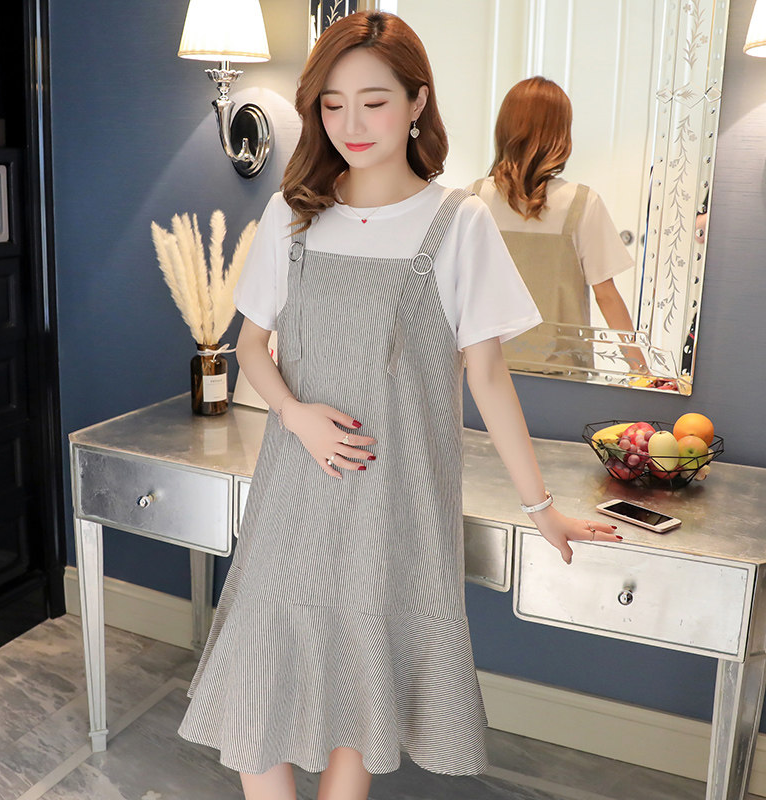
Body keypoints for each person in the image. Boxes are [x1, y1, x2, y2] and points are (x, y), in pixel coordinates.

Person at [177, 13, 621, 800]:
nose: (351, 123)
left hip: (396, 504)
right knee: (253, 691)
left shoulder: (459, 223)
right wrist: (295, 414)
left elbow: (489, 378)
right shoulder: (292, 212)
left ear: (417, 103)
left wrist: (542, 507)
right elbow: (251, 348)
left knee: (362, 696)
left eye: (374, 102)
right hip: (293, 495)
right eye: (332, 104)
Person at [467, 76, 645, 375]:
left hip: (485, 370)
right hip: (561, 376)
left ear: (504, 128)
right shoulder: (581, 202)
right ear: (560, 136)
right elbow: (606, 295)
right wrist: (641, 370)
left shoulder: (474, 197)